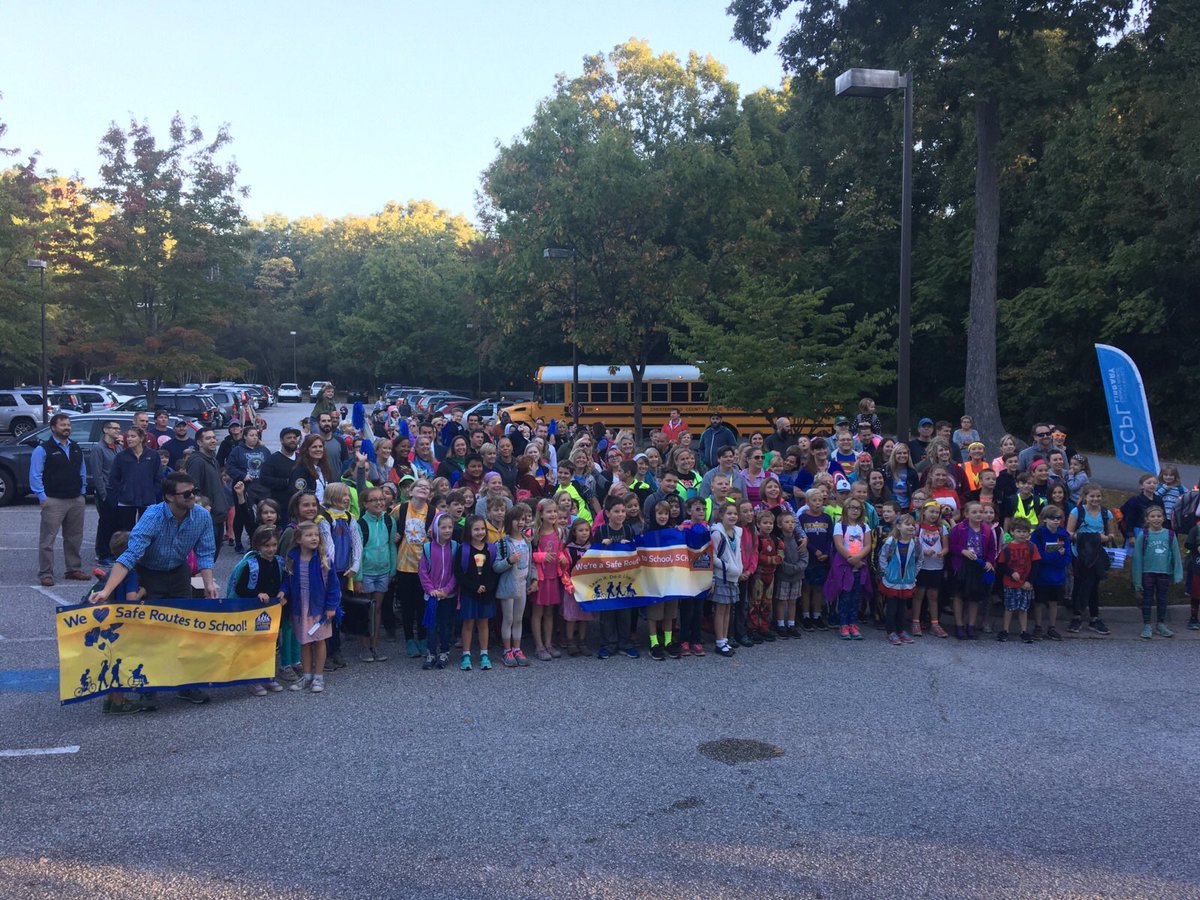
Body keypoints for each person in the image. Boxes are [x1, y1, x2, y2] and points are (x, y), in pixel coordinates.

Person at [89, 472, 219, 704]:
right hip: (149, 573)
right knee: (149, 633)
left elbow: (206, 553)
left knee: (185, 629)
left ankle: (186, 685)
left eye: (194, 492)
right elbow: (130, 555)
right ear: (169, 497)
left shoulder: (201, 517)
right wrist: (106, 591)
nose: (193, 497)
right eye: (187, 493)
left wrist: (209, 584)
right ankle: (148, 686)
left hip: (179, 573)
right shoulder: (152, 516)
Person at [227, 525, 287, 696]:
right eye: (267, 546)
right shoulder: (251, 565)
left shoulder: (279, 562)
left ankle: (267, 675)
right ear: (258, 546)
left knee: (270, 645)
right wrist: (257, 593)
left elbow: (284, 581)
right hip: (254, 612)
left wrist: (283, 592)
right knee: (253, 646)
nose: (271, 549)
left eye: (274, 545)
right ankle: (252, 678)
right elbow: (240, 588)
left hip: (273, 611)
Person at [30, 413, 89, 587]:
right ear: (53, 428)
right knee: (48, 540)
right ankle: (46, 573)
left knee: (74, 537)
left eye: (68, 425)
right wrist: (41, 496)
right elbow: (35, 474)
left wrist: (83, 491)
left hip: (76, 499)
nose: (67, 428)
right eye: (63, 425)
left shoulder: (75, 447)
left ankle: (73, 569)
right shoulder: (43, 449)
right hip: (53, 500)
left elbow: (82, 470)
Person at [283, 521, 341, 693]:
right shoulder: (292, 558)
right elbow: (287, 579)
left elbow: (333, 586)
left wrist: (331, 607)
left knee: (320, 641)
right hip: (300, 608)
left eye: (316, 535)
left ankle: (318, 677)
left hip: (319, 607)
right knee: (305, 642)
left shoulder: (324, 559)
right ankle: (307, 675)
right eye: (309, 535)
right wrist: (282, 592)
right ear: (299, 539)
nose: (314, 538)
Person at [1066, 483, 1118, 635]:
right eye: (1092, 496)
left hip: (1097, 555)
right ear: (1085, 497)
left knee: (1094, 586)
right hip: (1079, 554)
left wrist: (1104, 538)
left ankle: (1094, 618)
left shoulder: (1106, 513)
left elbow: (1111, 534)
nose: (1095, 499)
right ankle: (1076, 615)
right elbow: (1069, 533)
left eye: (1098, 496)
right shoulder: (1077, 511)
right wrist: (1090, 538)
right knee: (1079, 584)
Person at [494, 502, 536, 667]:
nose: (520, 523)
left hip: (522, 584)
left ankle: (517, 648)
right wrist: (509, 561)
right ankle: (506, 650)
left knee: (518, 618)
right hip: (508, 586)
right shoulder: (503, 543)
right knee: (509, 618)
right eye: (517, 520)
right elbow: (496, 567)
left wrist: (533, 579)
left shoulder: (527, 541)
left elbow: (530, 562)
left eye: (523, 519)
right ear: (509, 521)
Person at [1130, 505, 1182, 639]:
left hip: (1164, 571)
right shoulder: (1144, 535)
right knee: (1147, 599)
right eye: (1152, 516)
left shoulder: (1170, 534)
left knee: (1162, 598)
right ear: (1147, 519)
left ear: (1164, 518)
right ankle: (1147, 625)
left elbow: (1176, 554)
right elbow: (1137, 558)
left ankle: (1161, 624)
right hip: (1147, 572)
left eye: (1159, 516)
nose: (1156, 519)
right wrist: (1137, 580)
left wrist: (1177, 573)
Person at [948, 501, 997, 640]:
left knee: (974, 597)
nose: (978, 515)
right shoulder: (959, 528)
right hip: (962, 565)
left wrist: (989, 561)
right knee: (959, 595)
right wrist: (962, 551)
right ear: (966, 514)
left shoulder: (987, 530)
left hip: (978, 566)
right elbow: (951, 546)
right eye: (974, 512)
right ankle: (959, 625)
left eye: (980, 512)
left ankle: (971, 625)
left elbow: (992, 549)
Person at [455, 515, 499, 670]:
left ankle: (484, 653)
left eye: (482, 529)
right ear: (469, 531)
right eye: (476, 529)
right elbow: (459, 573)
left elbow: (494, 571)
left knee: (483, 623)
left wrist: (488, 586)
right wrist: (474, 587)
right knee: (468, 623)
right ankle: (466, 654)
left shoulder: (491, 549)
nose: (480, 532)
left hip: (486, 593)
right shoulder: (463, 549)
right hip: (469, 592)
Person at [419, 511, 459, 670]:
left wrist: (447, 589)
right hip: (432, 596)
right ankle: (431, 653)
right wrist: (431, 590)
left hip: (448, 595)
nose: (447, 530)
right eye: (443, 527)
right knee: (431, 625)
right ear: (436, 528)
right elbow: (422, 571)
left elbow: (456, 572)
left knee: (445, 624)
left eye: (450, 527)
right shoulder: (427, 548)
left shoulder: (455, 546)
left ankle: (444, 652)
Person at [530, 498, 567, 661]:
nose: (553, 514)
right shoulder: (534, 533)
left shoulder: (559, 531)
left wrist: (563, 558)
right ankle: (539, 646)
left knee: (550, 612)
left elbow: (560, 551)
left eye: (555, 511)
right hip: (540, 578)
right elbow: (528, 555)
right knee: (538, 612)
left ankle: (548, 643)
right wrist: (543, 556)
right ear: (541, 514)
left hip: (553, 577)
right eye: (549, 511)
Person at [185, 428, 230, 562]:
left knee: (211, 558)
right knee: (204, 559)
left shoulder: (213, 460)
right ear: (199, 442)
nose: (213, 441)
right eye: (208, 438)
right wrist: (205, 508)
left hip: (219, 517)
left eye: (214, 438)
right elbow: (193, 489)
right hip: (208, 518)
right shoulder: (196, 461)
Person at [108, 426, 162, 534]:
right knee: (126, 533)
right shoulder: (121, 456)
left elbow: (158, 477)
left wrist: (153, 492)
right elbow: (113, 478)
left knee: (146, 532)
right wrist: (122, 491)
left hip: (147, 500)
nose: (129, 439)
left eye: (133, 436)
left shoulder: (154, 455)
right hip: (126, 501)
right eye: (128, 436)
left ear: (141, 438)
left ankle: (145, 551)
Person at [1030, 505, 1072, 642]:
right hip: (1042, 575)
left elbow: (1067, 556)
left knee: (1054, 602)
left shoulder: (1063, 534)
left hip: (1058, 575)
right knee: (1039, 602)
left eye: (1058, 518)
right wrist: (1055, 556)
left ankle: (1052, 627)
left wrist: (1059, 559)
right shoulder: (1038, 534)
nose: (1056, 521)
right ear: (1044, 519)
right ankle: (1038, 626)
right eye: (1052, 518)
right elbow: (1038, 555)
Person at [995, 520, 1039, 644]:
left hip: (1025, 584)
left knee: (1023, 609)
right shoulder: (1007, 547)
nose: (1022, 534)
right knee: (1009, 608)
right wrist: (1011, 572)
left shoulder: (1031, 546)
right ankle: (1005, 630)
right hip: (1010, 583)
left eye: (1025, 532)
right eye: (1019, 531)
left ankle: (1024, 631)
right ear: (1012, 532)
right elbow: (1001, 564)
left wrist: (1030, 581)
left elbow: (1036, 565)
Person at [88, 420, 124, 565]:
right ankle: (103, 553)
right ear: (105, 430)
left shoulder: (118, 448)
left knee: (116, 523)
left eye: (118, 428)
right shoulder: (99, 449)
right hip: (106, 491)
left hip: (119, 492)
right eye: (114, 428)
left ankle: (114, 551)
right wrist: (103, 494)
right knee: (105, 524)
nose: (117, 431)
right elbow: (97, 473)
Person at [913, 501, 950, 638]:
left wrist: (943, 553)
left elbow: (946, 547)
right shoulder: (917, 528)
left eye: (937, 512)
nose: (934, 515)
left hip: (936, 566)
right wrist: (923, 552)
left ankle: (935, 623)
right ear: (924, 512)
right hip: (921, 566)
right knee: (919, 594)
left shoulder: (941, 528)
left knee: (933, 596)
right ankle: (916, 622)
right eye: (931, 512)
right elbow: (914, 545)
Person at [561, 518, 596, 656]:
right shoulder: (569, 549)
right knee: (572, 616)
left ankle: (582, 641)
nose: (584, 533)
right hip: (572, 587)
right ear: (574, 532)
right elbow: (564, 569)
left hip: (587, 587)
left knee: (584, 615)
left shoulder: (592, 548)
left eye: (587, 530)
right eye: (581, 530)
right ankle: (570, 642)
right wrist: (568, 584)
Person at [260, 427, 301, 510]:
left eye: (294, 438)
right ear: (282, 440)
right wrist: (285, 482)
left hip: (299, 504)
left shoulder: (301, 459)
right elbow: (264, 479)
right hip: (280, 506)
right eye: (289, 438)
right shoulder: (272, 459)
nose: (293, 440)